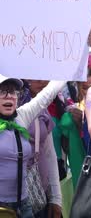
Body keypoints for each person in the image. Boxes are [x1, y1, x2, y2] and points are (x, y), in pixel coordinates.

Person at [0, 74, 65, 217]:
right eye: (2, 91)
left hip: (24, 205)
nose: (9, 96)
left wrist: (71, 67)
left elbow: (48, 94)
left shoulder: (21, 116)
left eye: (12, 92)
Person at [21, 80, 63, 218]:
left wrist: (56, 198)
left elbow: (49, 153)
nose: (43, 81)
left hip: (40, 195)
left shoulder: (40, 109)